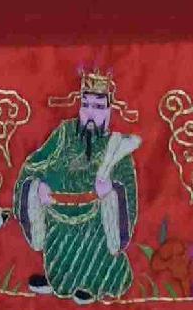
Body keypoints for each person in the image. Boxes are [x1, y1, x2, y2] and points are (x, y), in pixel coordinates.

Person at [13, 70, 140, 296]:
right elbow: (35, 165)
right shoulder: (64, 133)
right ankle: (57, 279)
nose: (91, 113)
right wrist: (38, 185)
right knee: (61, 259)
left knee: (97, 256)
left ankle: (95, 285)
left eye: (99, 107)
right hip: (58, 217)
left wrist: (111, 191)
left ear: (110, 110)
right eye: (86, 105)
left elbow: (127, 186)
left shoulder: (117, 146)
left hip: (96, 222)